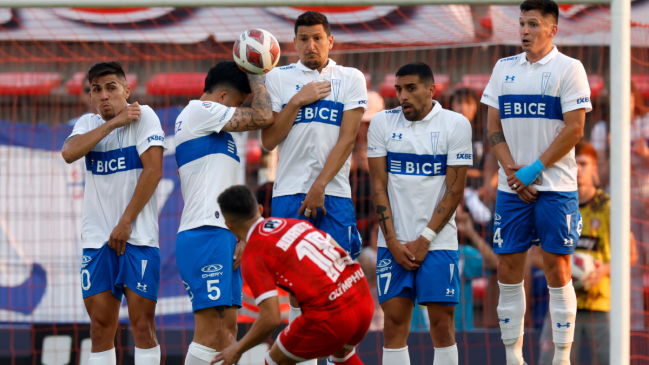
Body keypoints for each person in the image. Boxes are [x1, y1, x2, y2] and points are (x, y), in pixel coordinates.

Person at [480, 0, 593, 364]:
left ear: (552, 30)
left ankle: (561, 357)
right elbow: (492, 125)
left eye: (532, 24)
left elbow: (575, 129)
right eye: (521, 23)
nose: (524, 31)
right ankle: (513, 357)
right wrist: (513, 171)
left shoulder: (569, 68)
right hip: (511, 184)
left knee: (557, 267)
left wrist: (534, 170)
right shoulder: (503, 67)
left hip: (556, 187)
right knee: (509, 267)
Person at [261, 11, 367, 362]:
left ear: (330, 41)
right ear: (294, 43)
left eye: (318, 38)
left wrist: (320, 185)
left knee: (339, 286)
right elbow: (269, 140)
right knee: (297, 290)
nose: (311, 45)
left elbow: (348, 139)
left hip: (333, 194)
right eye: (304, 39)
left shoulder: (350, 78)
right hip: (290, 192)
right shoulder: (277, 78)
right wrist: (297, 101)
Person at [367, 62, 473, 365]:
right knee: (394, 324)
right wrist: (392, 241)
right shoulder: (381, 123)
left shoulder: (455, 124)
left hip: (438, 242)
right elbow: (378, 186)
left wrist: (425, 239)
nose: (402, 96)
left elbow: (454, 191)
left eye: (411, 88)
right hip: (393, 244)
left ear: (431, 90)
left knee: (441, 326)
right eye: (399, 89)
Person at [61, 62, 166, 365]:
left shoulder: (144, 116)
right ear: (91, 96)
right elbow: (69, 153)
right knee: (99, 329)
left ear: (126, 90)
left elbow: (154, 171)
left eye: (111, 87)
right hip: (97, 243)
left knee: (143, 326)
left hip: (138, 238)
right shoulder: (88, 122)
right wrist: (113, 123)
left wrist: (125, 222)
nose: (104, 95)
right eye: (96, 90)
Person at [173, 61, 274, 365]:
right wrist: (257, 74)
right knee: (209, 329)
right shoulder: (199, 111)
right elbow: (264, 116)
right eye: (238, 103)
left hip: (223, 235)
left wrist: (241, 236)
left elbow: (229, 190)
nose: (240, 111)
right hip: (204, 232)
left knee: (228, 329)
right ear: (222, 98)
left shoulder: (220, 134)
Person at [212, 185, 373, 365]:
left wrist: (238, 348)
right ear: (259, 209)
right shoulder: (293, 223)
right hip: (361, 295)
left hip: (333, 315)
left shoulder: (254, 255)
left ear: (228, 225)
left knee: (272, 361)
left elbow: (271, 318)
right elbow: (336, 248)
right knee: (342, 355)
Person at [533, 141, 637, 364]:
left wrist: (604, 270)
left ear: (595, 168)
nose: (579, 169)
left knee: (612, 359)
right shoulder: (556, 206)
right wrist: (565, 270)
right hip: (561, 301)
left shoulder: (610, 206)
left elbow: (631, 254)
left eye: (584, 163)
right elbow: (534, 255)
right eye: (574, 164)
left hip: (600, 305)